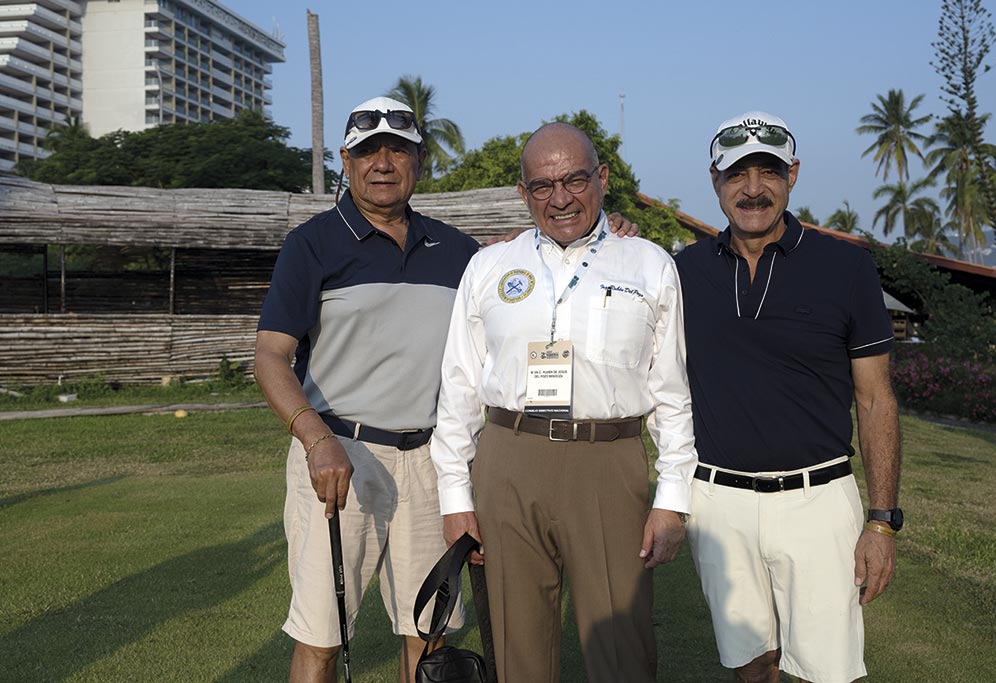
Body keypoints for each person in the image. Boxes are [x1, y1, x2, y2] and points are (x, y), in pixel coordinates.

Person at [254, 97, 638, 683]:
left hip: (430, 462)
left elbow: (533, 254)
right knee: (322, 637)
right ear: (346, 162)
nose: (383, 163)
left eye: (398, 151)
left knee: (428, 634)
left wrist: (608, 231)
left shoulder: (455, 250)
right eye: (368, 152)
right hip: (339, 455)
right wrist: (314, 438)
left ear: (419, 162)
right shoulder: (312, 244)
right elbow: (270, 357)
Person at [430, 122, 698, 683]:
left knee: (622, 650)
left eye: (575, 180)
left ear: (602, 178)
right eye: (542, 185)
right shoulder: (489, 266)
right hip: (509, 459)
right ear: (523, 192)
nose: (560, 199)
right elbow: (459, 387)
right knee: (518, 646)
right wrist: (455, 496)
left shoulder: (648, 264)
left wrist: (673, 500)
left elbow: (672, 394)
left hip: (608, 464)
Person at [674, 111, 902, 683]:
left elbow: (876, 400)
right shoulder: (681, 271)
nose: (753, 189)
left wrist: (881, 523)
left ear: (792, 174)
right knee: (750, 665)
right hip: (718, 502)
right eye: (737, 173)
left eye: (769, 171)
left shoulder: (847, 266)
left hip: (817, 500)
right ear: (714, 179)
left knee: (827, 671)